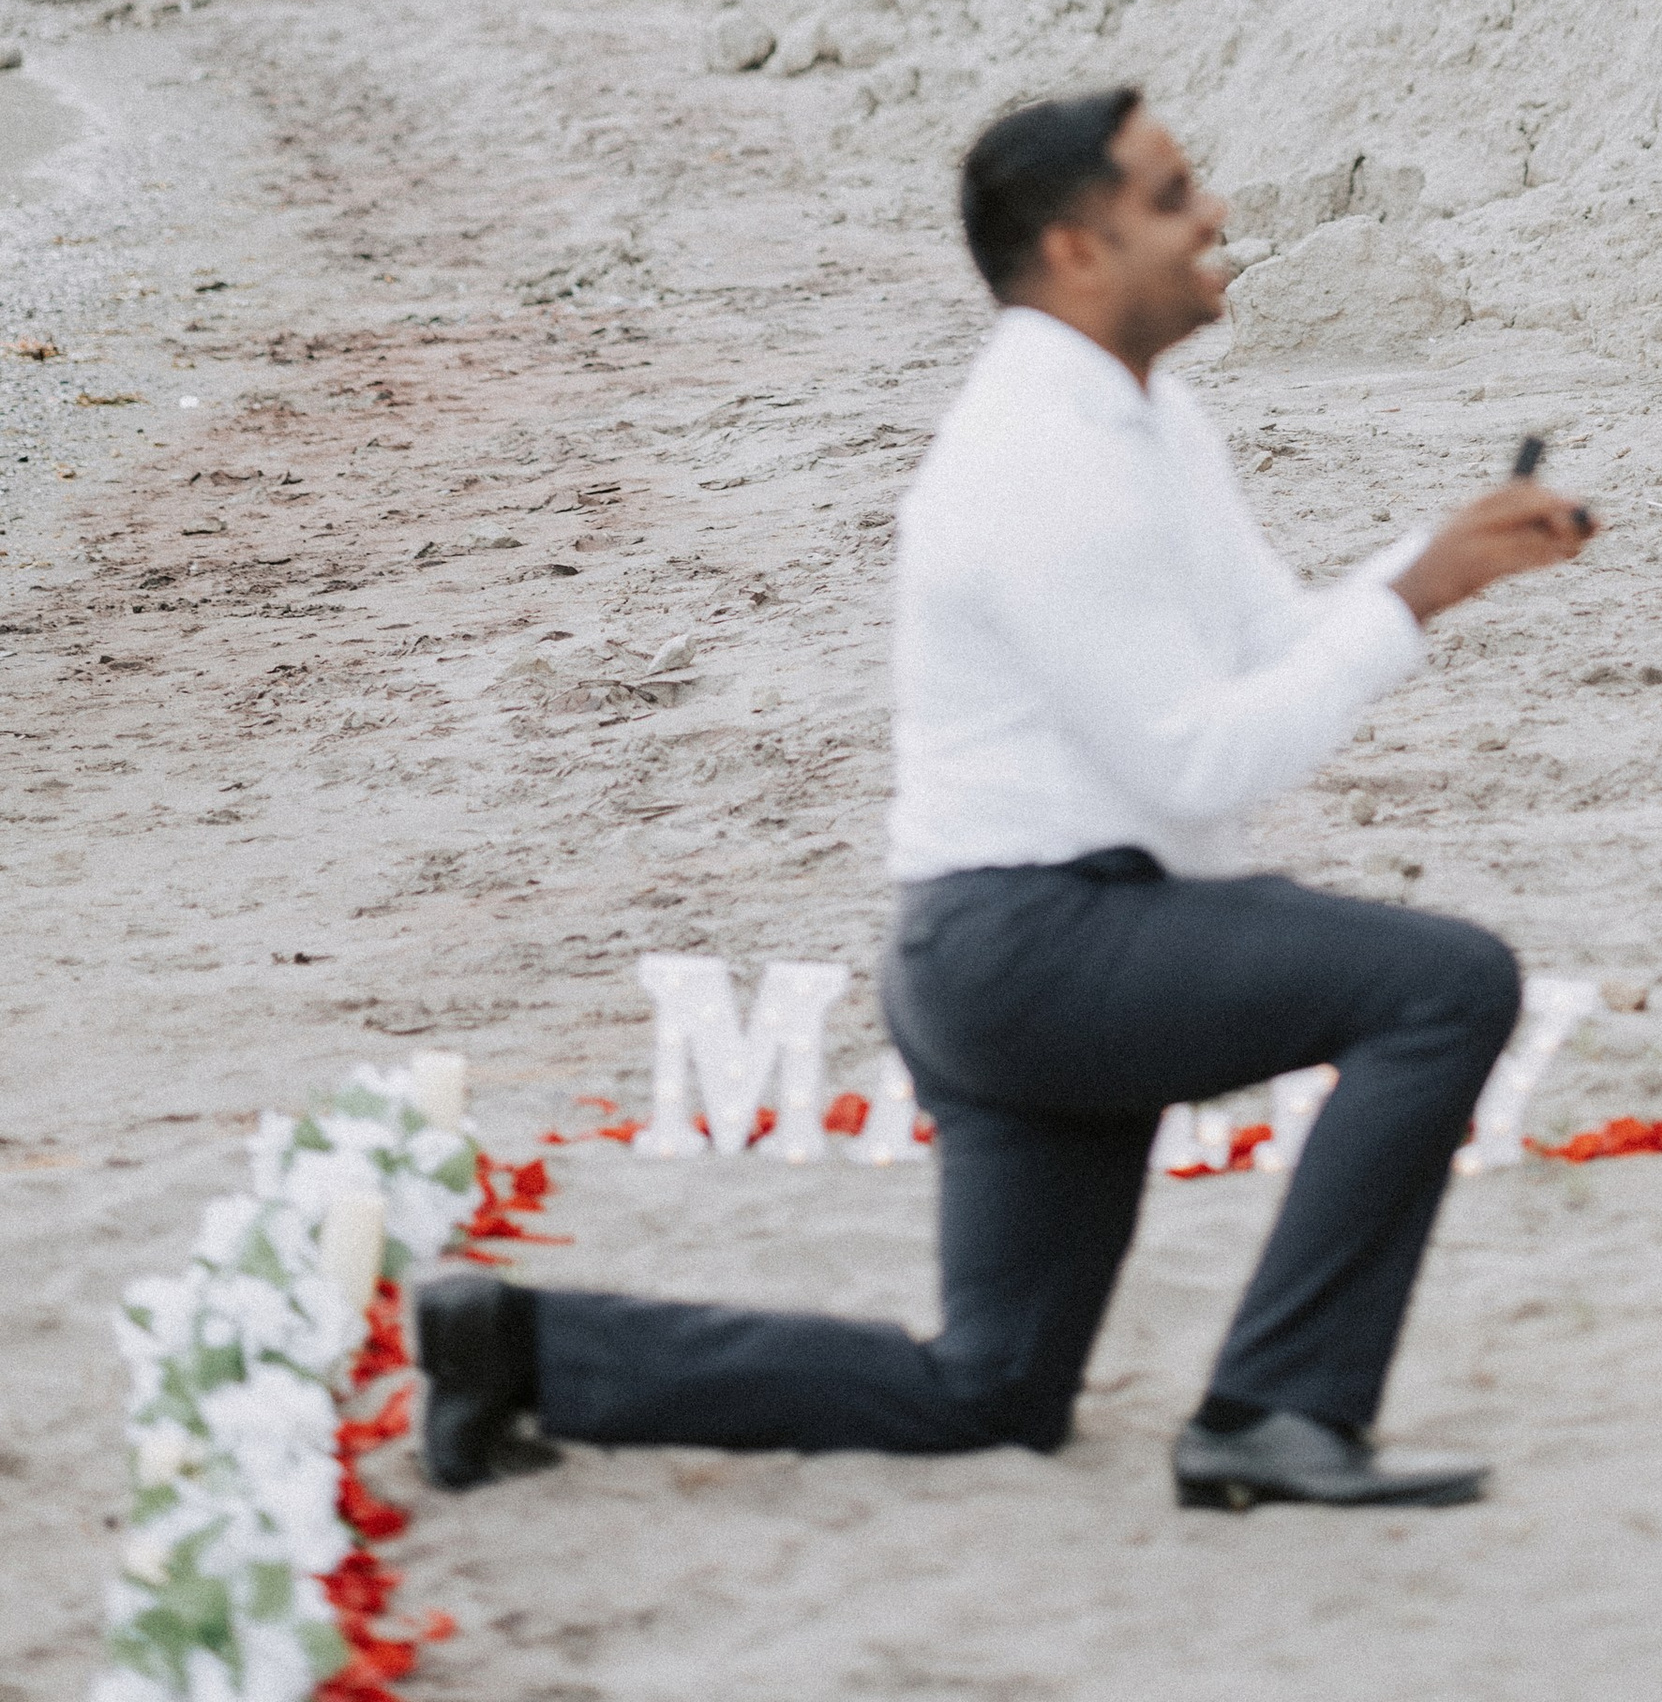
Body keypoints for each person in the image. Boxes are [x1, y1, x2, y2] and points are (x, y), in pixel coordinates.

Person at [416, 86, 1597, 1511]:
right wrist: (1414, 594)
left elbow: (1266, 652)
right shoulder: (1043, 454)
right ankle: (1276, 1415)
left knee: (993, 1390)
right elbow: (1203, 761)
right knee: (1446, 984)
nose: (1216, 213)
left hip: (1024, 953)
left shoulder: (1147, 420)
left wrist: (1435, 559)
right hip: (1033, 952)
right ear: (1077, 249)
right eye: (1172, 195)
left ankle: (523, 1349)